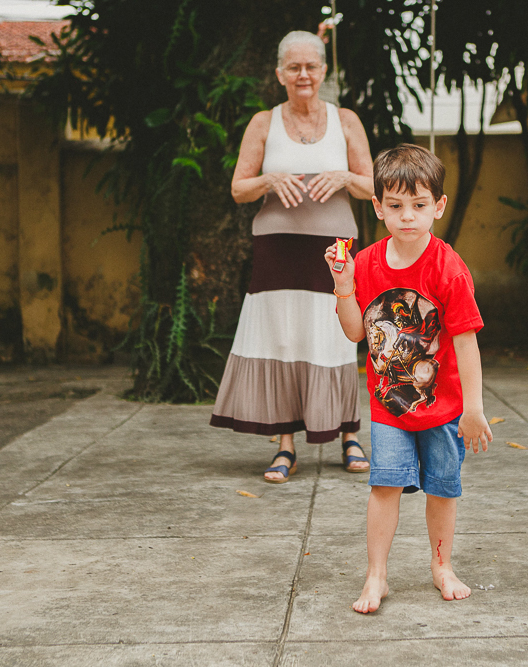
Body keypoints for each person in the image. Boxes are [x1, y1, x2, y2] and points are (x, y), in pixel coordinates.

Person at [324, 144, 492, 614]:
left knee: (442, 488)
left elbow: (465, 342)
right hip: (390, 406)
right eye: (395, 206)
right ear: (377, 207)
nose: (407, 217)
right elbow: (357, 330)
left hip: (443, 407)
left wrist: (473, 409)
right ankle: (376, 575)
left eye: (419, 206)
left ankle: (442, 566)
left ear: (438, 207)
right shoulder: (366, 264)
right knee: (384, 487)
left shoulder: (449, 269)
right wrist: (343, 285)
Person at [210, 31, 373, 482]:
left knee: (337, 334)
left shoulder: (346, 121)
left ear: (323, 71)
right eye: (294, 67)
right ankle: (285, 445)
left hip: (334, 247)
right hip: (277, 246)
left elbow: (374, 186)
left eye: (312, 67)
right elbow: (239, 188)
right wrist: (268, 181)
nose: (304, 75)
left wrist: (342, 176)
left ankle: (349, 433)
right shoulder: (265, 122)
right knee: (284, 339)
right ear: (280, 73)